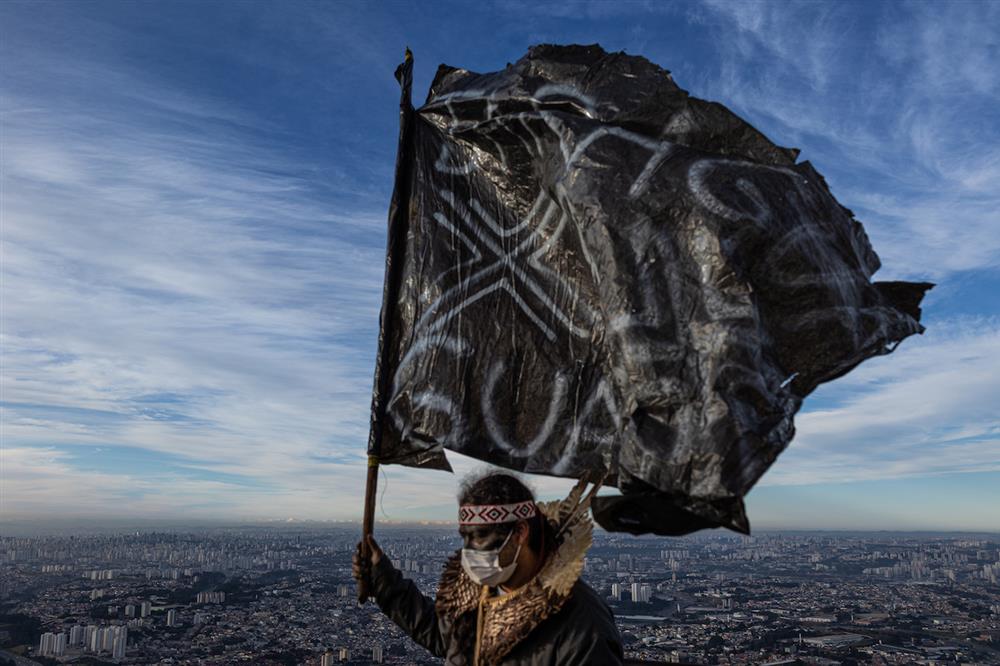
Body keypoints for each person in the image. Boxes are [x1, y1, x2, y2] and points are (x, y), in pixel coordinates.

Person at [353, 472, 624, 665]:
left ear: (519, 532)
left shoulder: (582, 625)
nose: (469, 551)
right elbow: (442, 635)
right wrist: (381, 576)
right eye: (465, 537)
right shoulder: (480, 591)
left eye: (480, 536)